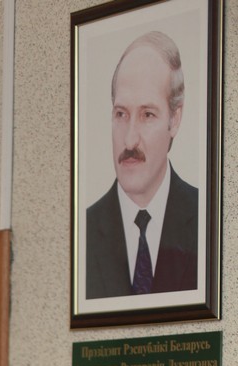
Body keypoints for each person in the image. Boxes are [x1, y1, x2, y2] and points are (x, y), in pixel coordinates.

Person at [86, 31, 198, 299]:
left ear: (174, 119)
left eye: (147, 115)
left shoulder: (205, 219)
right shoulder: (84, 231)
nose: (129, 140)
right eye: (121, 114)